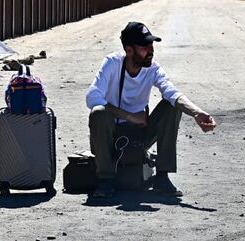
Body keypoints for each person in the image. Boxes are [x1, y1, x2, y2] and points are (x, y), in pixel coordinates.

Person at [85, 22, 217, 198]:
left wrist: (197, 113)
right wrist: (129, 116)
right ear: (129, 50)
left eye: (151, 45)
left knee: (172, 106)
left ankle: (162, 177)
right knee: (98, 113)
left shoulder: (153, 69)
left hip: (140, 134)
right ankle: (106, 180)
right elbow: (92, 97)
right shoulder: (112, 63)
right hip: (111, 136)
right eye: (144, 46)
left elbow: (172, 92)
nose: (151, 50)